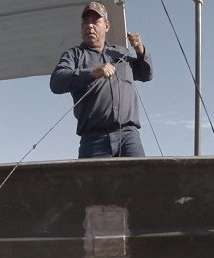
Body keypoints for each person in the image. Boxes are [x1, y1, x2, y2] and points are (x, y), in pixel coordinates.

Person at [50, 1, 153, 159]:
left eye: (95, 21)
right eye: (85, 22)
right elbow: (56, 83)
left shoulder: (121, 53)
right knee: (93, 184)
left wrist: (140, 50)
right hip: (93, 139)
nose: (89, 25)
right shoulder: (74, 55)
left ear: (106, 25)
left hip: (128, 136)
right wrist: (93, 72)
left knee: (138, 182)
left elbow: (146, 74)